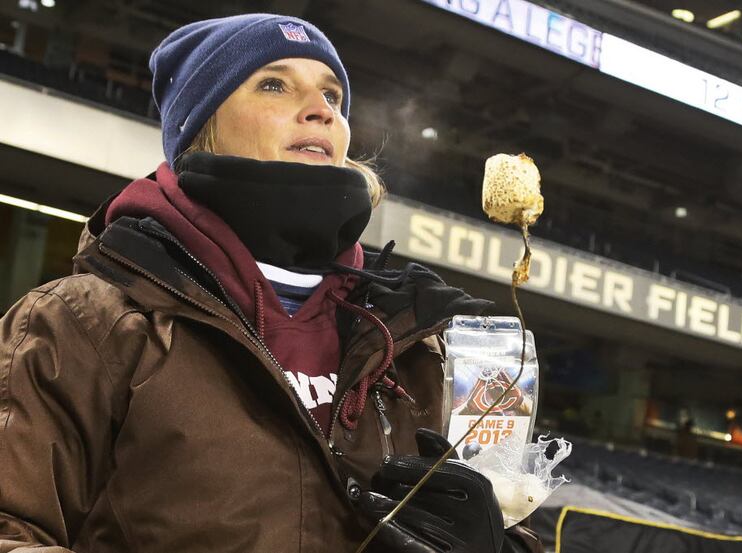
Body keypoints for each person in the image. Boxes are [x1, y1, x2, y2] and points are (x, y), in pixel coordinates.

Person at [0, 13, 543, 553]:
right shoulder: (84, 322)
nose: (320, 110)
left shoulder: (427, 344)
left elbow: (515, 524)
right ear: (203, 126)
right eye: (274, 84)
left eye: (332, 96)